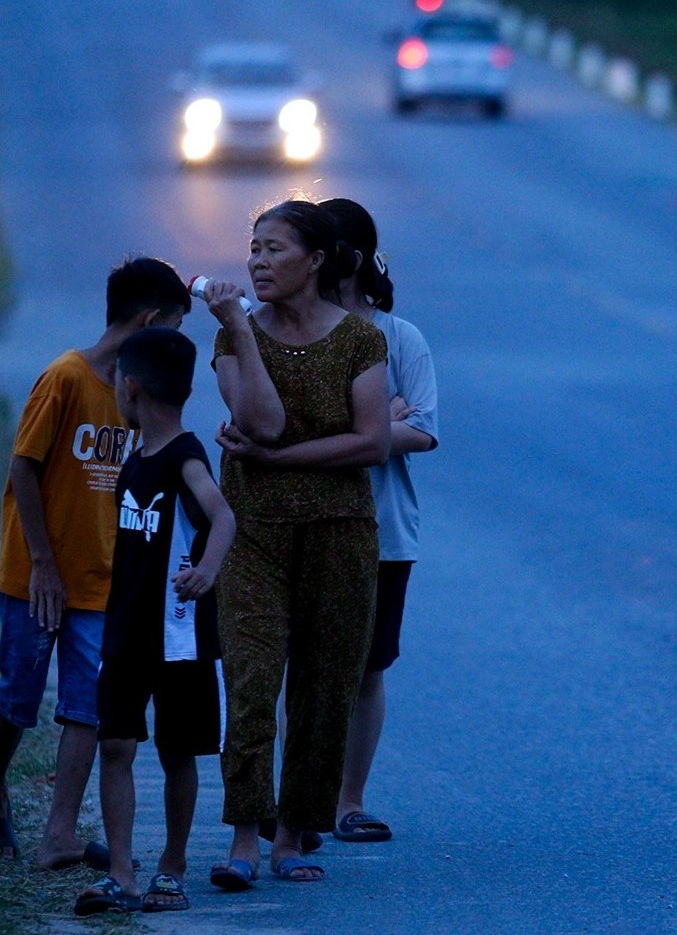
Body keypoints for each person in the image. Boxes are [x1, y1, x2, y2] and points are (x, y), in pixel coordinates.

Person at [0, 256, 192, 870]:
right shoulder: (66, 378)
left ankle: (59, 833)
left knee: (86, 705)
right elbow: (24, 465)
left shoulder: (140, 398)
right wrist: (42, 561)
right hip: (36, 574)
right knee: (19, 696)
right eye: (173, 329)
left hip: (102, 581)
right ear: (150, 321)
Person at [201, 199, 390, 888]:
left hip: (340, 532)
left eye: (274, 248)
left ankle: (291, 835)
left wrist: (280, 461)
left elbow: (371, 441)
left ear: (314, 260)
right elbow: (262, 419)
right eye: (253, 248)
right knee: (252, 678)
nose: (257, 261)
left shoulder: (361, 341)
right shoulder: (232, 336)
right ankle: (245, 837)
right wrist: (242, 333)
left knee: (325, 685)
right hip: (252, 530)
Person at [74, 327, 237, 915]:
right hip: (126, 631)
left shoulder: (184, 456)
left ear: (132, 386)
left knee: (177, 752)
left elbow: (222, 517)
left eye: (117, 380)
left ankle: (170, 867)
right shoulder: (136, 455)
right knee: (115, 744)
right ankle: (121, 872)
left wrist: (207, 572)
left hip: (179, 632)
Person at [319, 197, 438, 844]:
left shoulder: (399, 337)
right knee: (302, 663)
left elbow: (423, 429)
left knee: (366, 667)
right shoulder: (287, 329)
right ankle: (299, 797)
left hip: (383, 529)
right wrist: (375, 424)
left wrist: (376, 431)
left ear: (348, 260)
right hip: (303, 519)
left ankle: (349, 799)